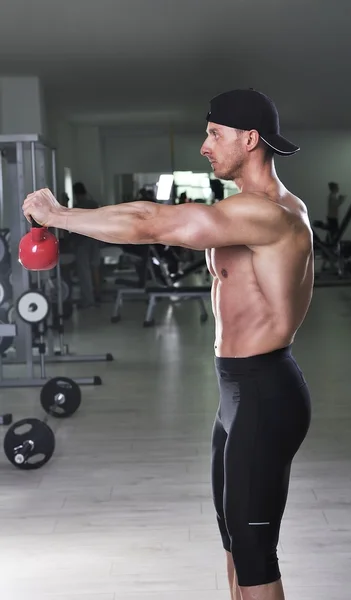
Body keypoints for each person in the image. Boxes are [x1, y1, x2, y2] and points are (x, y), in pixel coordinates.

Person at [22, 88, 313, 600]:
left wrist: (61, 216)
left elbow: (149, 223)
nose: (204, 145)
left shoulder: (269, 214)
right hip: (237, 394)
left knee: (254, 556)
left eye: (214, 134)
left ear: (249, 139)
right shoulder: (242, 208)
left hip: (265, 393)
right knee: (234, 545)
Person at [72, 182, 102, 307]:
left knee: (84, 271)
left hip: (83, 241)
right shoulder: (93, 204)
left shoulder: (78, 206)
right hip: (96, 239)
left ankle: (88, 300)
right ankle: (98, 295)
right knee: (95, 268)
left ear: (76, 194)